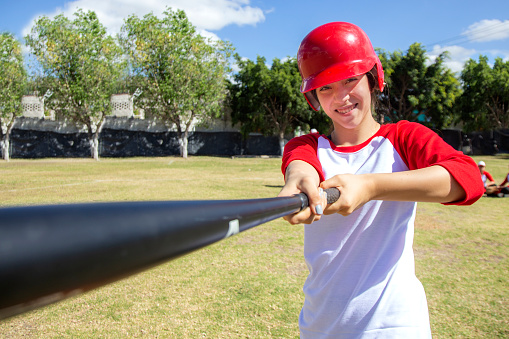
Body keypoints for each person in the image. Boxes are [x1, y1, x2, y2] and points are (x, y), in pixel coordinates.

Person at [278, 22, 484, 338]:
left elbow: (467, 179)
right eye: (326, 88)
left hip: (395, 325)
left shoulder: (403, 137)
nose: (340, 97)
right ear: (314, 97)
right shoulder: (306, 146)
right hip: (321, 325)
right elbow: (301, 169)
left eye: (349, 80)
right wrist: (299, 183)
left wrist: (371, 187)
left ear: (374, 79)